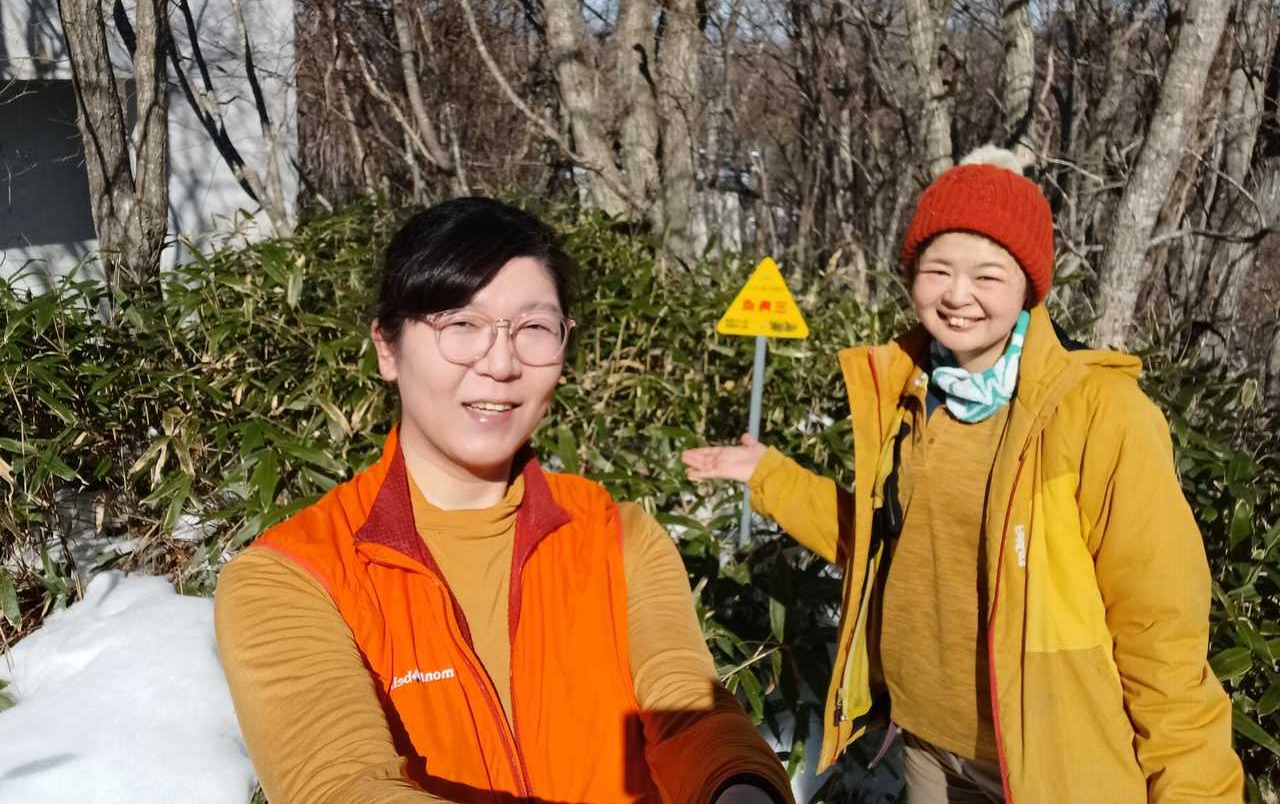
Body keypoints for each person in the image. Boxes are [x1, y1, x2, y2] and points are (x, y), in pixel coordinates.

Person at [682, 149, 1244, 803]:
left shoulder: (1100, 414)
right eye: (938, 269)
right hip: (928, 747)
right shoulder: (910, 396)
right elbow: (883, 546)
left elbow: (1159, 632)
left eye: (987, 275)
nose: (957, 294)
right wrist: (771, 476)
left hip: (1053, 762)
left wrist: (1195, 790)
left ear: (1029, 286)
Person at [215, 197, 793, 804]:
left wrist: (742, 787)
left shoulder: (617, 537)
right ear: (387, 348)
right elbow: (342, 783)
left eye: (534, 329)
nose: (500, 364)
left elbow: (688, 713)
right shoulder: (292, 576)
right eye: (462, 325)